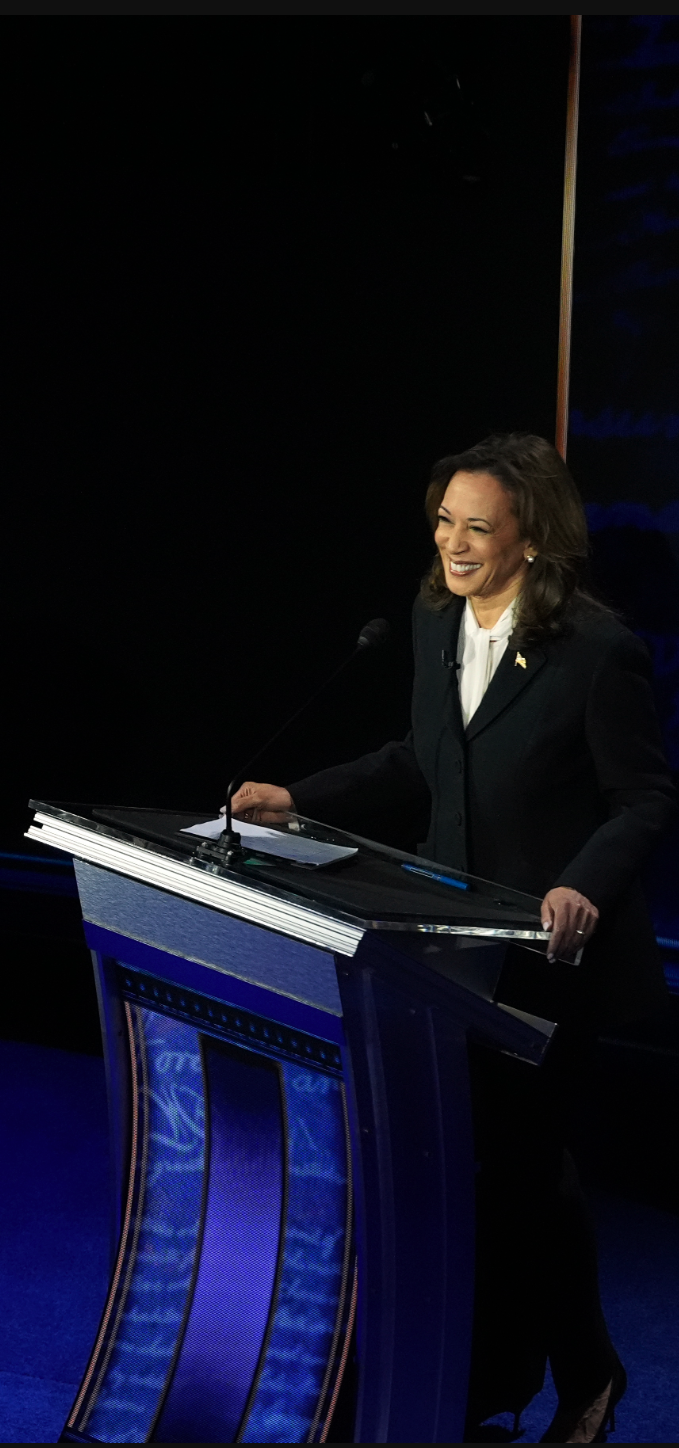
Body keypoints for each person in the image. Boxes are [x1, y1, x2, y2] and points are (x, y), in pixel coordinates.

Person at [232, 433, 672, 1443]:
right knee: (481, 1165)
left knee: (524, 1164)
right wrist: (298, 796)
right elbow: (417, 756)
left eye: (478, 527)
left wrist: (580, 883)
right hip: (445, 949)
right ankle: (492, 1382)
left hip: (550, 959)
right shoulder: (435, 618)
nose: (453, 543)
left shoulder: (595, 651)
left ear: (532, 539)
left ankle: (587, 1374)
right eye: (444, 521)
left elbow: (644, 797)